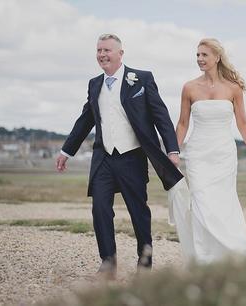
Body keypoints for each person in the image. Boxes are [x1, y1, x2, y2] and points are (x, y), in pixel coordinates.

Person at [55, 34, 183, 278]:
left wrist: (172, 149)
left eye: (107, 50)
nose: (102, 54)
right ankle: (108, 262)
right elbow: (86, 119)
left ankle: (144, 261)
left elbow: (160, 116)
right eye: (99, 50)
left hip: (132, 157)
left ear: (120, 53)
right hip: (103, 156)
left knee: (138, 211)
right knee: (100, 208)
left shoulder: (142, 79)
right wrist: (66, 150)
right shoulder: (95, 84)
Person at [173, 38, 246, 263]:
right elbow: (182, 123)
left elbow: (243, 123)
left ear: (217, 57)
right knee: (201, 200)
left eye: (204, 55)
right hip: (198, 153)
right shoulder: (189, 87)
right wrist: (173, 152)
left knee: (223, 201)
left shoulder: (233, 88)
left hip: (223, 154)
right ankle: (204, 258)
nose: (199, 59)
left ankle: (232, 252)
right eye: (198, 55)